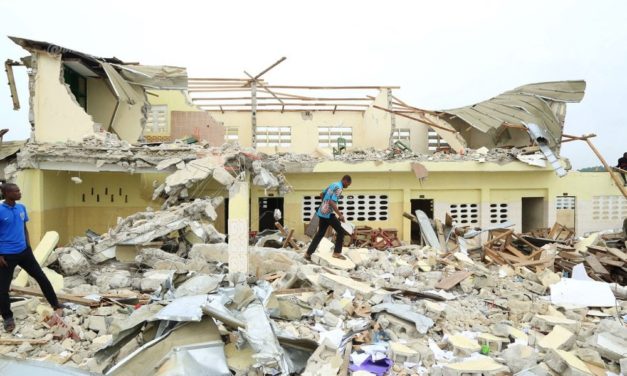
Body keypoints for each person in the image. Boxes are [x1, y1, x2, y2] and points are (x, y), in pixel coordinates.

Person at [0, 183, 64, 332]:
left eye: (19, 190)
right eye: (16, 191)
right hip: (6, 256)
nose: (19, 192)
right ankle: (8, 318)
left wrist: (28, 246)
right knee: (3, 289)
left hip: (24, 252)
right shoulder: (0, 211)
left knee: (41, 277)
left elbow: (23, 227)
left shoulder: (21, 208)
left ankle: (55, 304)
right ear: (6, 193)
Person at [305, 175, 352, 261]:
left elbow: (322, 194)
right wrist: (340, 215)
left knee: (320, 233)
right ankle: (337, 253)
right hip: (328, 214)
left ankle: (308, 253)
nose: (347, 186)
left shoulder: (333, 184)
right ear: (345, 181)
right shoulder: (339, 188)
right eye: (348, 184)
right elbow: (332, 202)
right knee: (341, 231)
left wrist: (324, 204)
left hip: (321, 212)